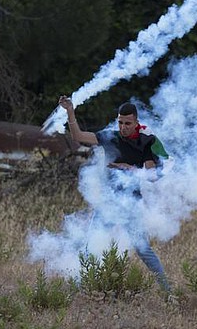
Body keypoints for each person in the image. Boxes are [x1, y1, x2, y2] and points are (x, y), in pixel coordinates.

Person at [58, 95, 171, 292]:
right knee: (91, 245)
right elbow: (78, 137)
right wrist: (70, 111)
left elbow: (154, 174)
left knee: (143, 249)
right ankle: (78, 290)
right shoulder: (110, 137)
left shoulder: (146, 141)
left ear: (136, 122)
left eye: (128, 123)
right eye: (120, 122)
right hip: (109, 201)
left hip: (131, 203)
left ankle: (168, 292)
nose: (123, 127)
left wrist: (130, 169)